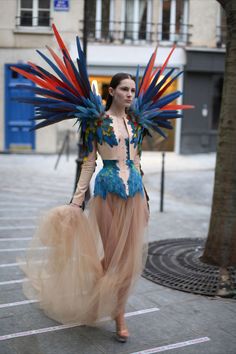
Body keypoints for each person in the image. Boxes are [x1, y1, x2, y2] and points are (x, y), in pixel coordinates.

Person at [12, 24, 192, 344]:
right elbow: (88, 164)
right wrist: (77, 200)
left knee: (127, 259)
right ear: (112, 91)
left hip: (133, 196)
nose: (129, 94)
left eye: (133, 91)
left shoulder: (136, 123)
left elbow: (137, 162)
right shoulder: (96, 123)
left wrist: (147, 199)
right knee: (112, 259)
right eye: (124, 89)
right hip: (107, 195)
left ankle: (103, 299)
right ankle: (119, 318)